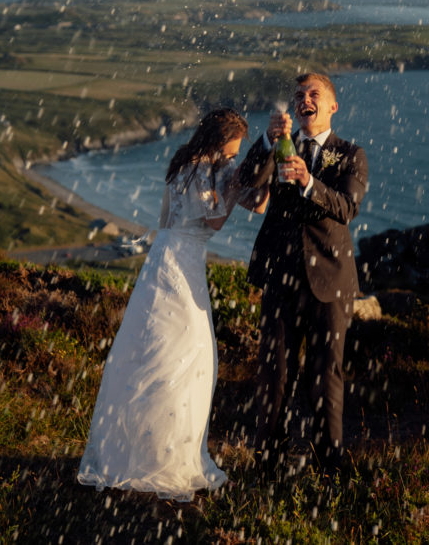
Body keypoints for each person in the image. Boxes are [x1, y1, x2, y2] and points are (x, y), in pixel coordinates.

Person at [77, 108, 255, 501]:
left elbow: (168, 217)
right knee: (185, 355)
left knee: (156, 352)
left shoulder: (185, 163)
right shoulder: (202, 168)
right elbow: (214, 222)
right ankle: (165, 457)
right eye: (233, 147)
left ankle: (135, 451)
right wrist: (238, 184)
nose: (233, 155)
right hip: (183, 261)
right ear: (221, 138)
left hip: (165, 256)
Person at [239, 72, 368, 476]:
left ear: (332, 107)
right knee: (273, 372)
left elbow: (347, 207)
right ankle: (268, 463)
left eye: (314, 94)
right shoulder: (280, 147)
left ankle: (329, 464)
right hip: (280, 276)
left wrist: (309, 181)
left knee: (325, 373)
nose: (304, 99)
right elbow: (244, 184)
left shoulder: (350, 154)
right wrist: (266, 142)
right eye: (299, 95)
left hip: (330, 281)